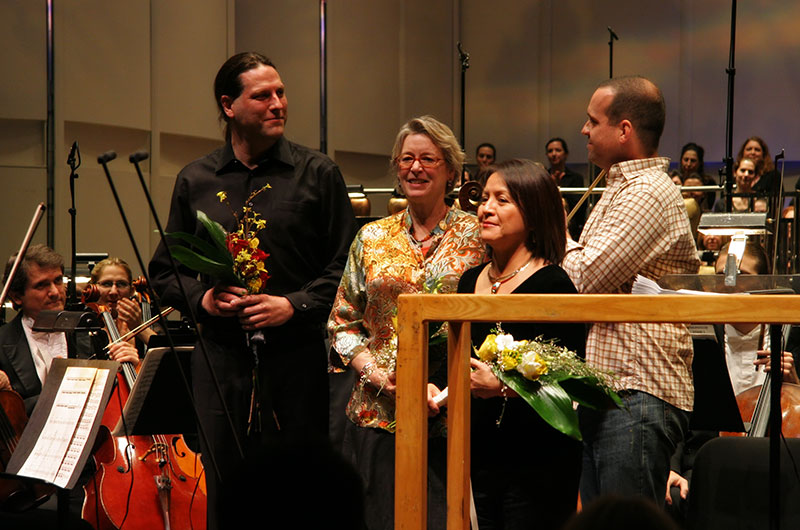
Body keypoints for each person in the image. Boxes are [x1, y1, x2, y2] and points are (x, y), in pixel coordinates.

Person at [148, 52, 358, 530]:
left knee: (301, 491)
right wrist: (202, 299)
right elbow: (165, 272)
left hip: (297, 358)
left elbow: (347, 264)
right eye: (262, 95)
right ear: (229, 105)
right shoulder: (195, 179)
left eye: (281, 93)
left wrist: (293, 304)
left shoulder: (318, 173)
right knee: (225, 489)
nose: (278, 103)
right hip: (221, 361)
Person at [328, 116, 484, 529]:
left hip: (455, 417)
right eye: (407, 159)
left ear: (451, 170)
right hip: (378, 414)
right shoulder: (371, 237)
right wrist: (381, 377)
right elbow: (342, 326)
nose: (416, 168)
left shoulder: (479, 236)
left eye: (428, 159)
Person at [562, 76, 701, 505]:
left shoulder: (645, 192)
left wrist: (555, 235)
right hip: (614, 389)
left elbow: (583, 278)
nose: (584, 130)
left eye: (592, 121)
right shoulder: (619, 187)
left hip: (636, 392)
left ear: (623, 130)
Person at [458, 159, 584, 529]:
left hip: (538, 459)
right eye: (483, 199)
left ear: (532, 212)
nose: (486, 208)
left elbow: (570, 374)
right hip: (478, 454)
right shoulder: (468, 281)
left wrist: (501, 387)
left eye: (502, 200)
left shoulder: (554, 283)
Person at [0, 245, 137, 415]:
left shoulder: (89, 333)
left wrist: (128, 371)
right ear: (16, 296)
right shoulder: (2, 343)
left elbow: (110, 403)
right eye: (42, 285)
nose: (55, 292)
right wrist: (57, 393)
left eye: (58, 281)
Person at [88, 257, 156, 349]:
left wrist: (139, 327)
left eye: (121, 284)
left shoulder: (149, 320)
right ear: (93, 288)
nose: (114, 292)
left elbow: (167, 356)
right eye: (106, 284)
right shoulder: (85, 325)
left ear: (131, 290)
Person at [546, 137, 586, 239]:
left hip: (571, 228)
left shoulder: (576, 178)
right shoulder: (543, 176)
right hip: (546, 226)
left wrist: (558, 187)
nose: (554, 154)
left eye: (558, 150)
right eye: (550, 151)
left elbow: (579, 206)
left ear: (566, 154)